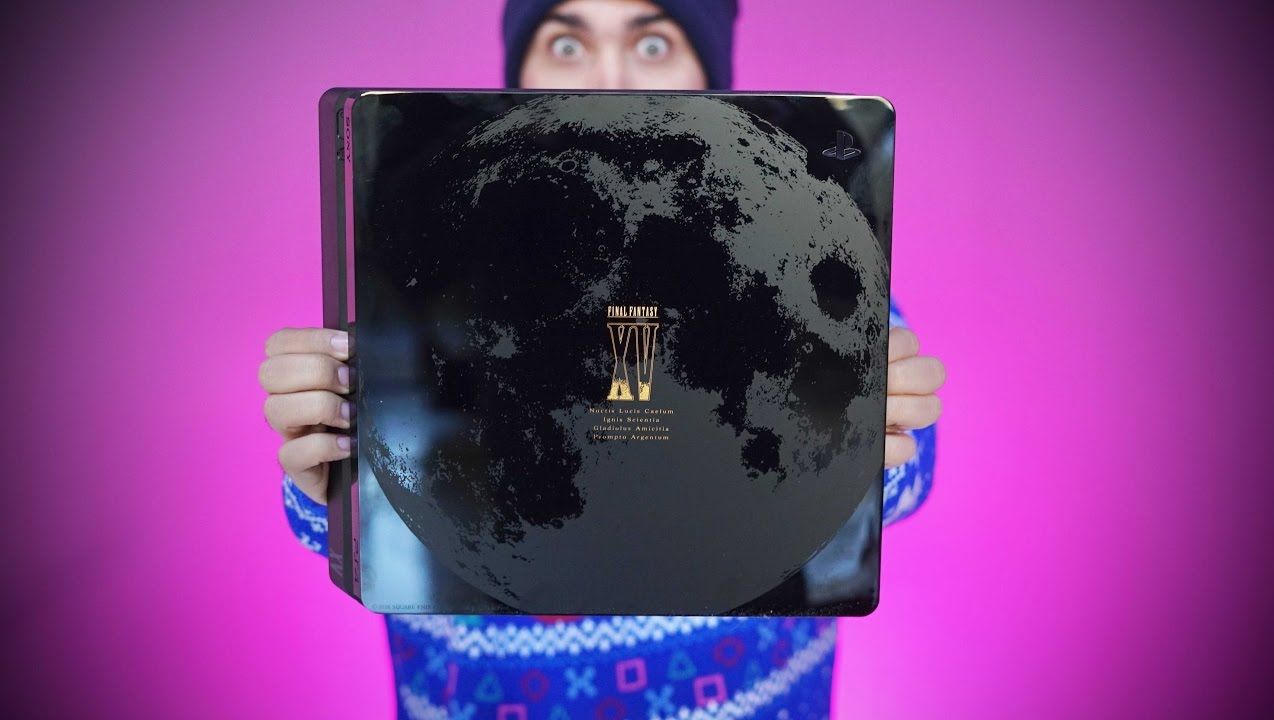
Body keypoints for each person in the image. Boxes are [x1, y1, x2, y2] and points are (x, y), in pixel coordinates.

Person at [259, 1, 946, 718]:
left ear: (712, 76)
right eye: (566, 44)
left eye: (652, 45)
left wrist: (879, 439)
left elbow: (905, 483)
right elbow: (372, 519)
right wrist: (327, 477)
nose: (608, 77)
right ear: (518, 73)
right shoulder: (423, 259)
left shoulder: (809, 265)